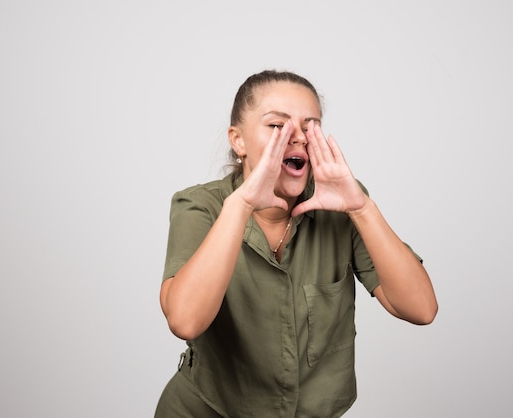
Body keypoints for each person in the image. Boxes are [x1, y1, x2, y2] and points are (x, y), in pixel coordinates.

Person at [155, 69, 438, 418]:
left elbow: (421, 309)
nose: (298, 137)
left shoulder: (343, 205)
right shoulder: (199, 206)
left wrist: (362, 209)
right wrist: (242, 204)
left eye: (310, 126)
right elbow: (185, 321)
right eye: (278, 126)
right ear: (238, 140)